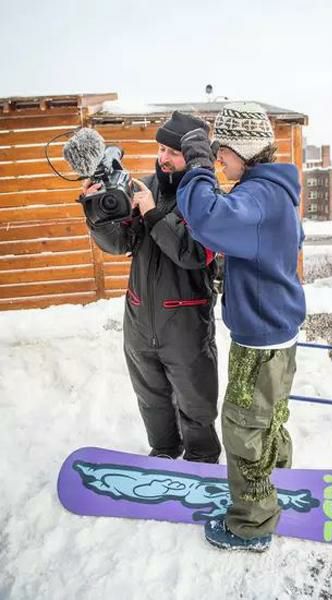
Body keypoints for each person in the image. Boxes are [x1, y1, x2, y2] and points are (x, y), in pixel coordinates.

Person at [177, 102, 306, 551]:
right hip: (278, 331)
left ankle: (252, 523)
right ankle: (278, 475)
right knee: (269, 417)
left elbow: (207, 218)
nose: (218, 160)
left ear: (243, 151)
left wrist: (196, 164)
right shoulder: (275, 192)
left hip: (259, 339)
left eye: (221, 152)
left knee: (242, 426)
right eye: (212, 154)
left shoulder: (258, 197)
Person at [82, 111, 221, 463]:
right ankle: (163, 451)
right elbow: (119, 243)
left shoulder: (205, 198)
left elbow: (192, 253)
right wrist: (97, 215)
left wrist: (152, 213)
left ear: (192, 154)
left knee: (195, 399)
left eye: (173, 152)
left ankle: (202, 458)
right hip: (140, 319)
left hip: (185, 323)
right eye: (161, 149)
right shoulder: (144, 187)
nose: (164, 158)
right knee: (151, 398)